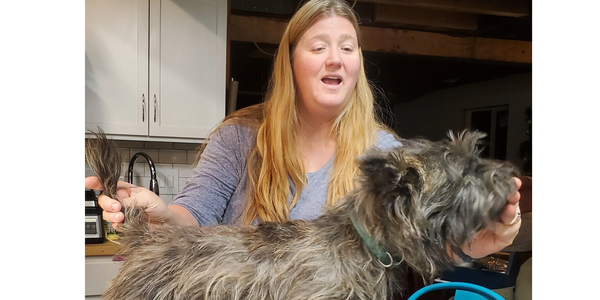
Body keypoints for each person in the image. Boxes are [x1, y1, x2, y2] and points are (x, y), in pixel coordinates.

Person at [82, 0, 526, 264]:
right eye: (319, 47)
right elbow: (194, 213)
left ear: (357, 66)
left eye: (347, 47)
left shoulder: (386, 154)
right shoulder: (239, 136)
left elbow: (412, 241)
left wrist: (471, 243)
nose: (336, 58)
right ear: (291, 63)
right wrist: (161, 213)